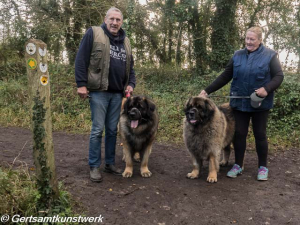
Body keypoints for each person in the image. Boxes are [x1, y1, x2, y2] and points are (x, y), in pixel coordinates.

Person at [199, 26, 284, 181]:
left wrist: (267, 88)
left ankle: (262, 167)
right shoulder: (237, 55)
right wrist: (207, 90)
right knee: (239, 134)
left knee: (260, 135)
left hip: (260, 104)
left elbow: (278, 76)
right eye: (247, 38)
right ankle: (238, 165)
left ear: (260, 40)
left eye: (252, 39)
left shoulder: (270, 56)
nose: (249, 42)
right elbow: (225, 76)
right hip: (239, 103)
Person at [75, 7, 136, 182]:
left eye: (118, 20)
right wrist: (81, 84)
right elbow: (81, 59)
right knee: (97, 130)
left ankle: (109, 164)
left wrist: (131, 85)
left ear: (121, 22)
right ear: (105, 19)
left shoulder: (126, 42)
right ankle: (94, 166)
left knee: (111, 131)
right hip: (99, 92)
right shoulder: (94, 33)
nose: (115, 22)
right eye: (112, 19)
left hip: (118, 94)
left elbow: (130, 68)